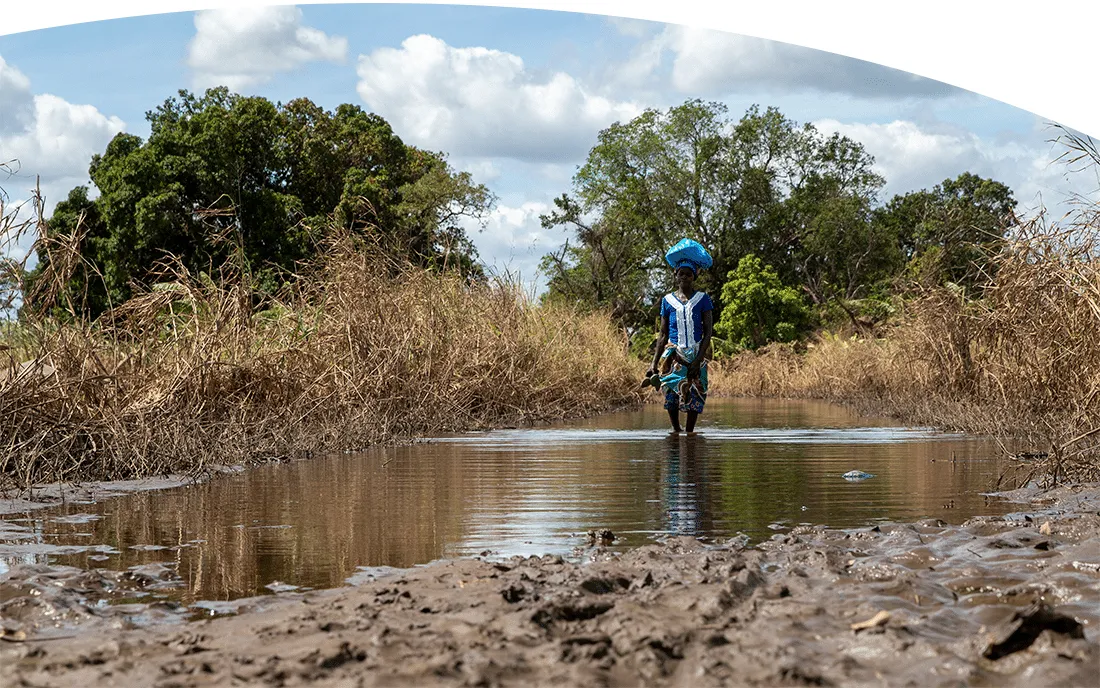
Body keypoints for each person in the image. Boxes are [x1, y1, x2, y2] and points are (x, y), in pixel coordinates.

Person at [645, 239, 714, 433]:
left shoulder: (703, 299)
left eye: (688, 274)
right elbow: (662, 334)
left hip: (696, 355)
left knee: (695, 394)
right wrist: (653, 364)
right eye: (681, 273)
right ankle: (676, 431)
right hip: (673, 355)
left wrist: (698, 358)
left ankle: (689, 433)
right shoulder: (667, 301)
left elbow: (708, 331)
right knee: (672, 396)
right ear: (676, 275)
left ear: (694, 276)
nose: (684, 277)